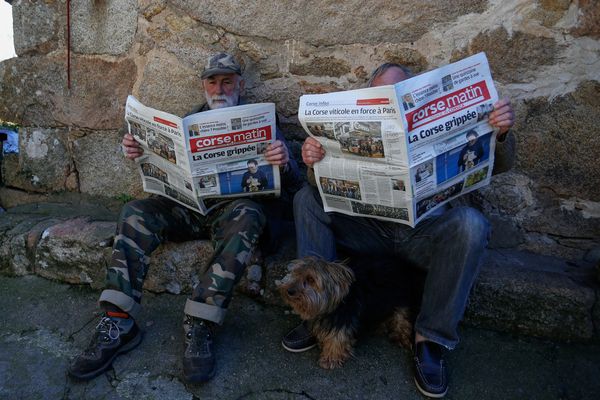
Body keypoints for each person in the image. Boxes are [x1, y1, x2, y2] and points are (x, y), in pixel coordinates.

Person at [282, 62, 516, 398]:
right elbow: (320, 189)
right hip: (367, 229)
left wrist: (501, 132)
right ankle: (317, 312)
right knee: (306, 198)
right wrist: (313, 161)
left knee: (472, 224)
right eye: (381, 93)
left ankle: (430, 340)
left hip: (423, 232)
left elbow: (502, 164)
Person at [68, 52, 303, 383]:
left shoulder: (262, 123)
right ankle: (118, 321)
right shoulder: (188, 123)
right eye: (212, 81)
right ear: (203, 85)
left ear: (240, 84)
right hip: (187, 209)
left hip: (232, 212)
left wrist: (285, 164)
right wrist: (138, 153)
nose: (219, 89)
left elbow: (294, 184)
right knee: (135, 211)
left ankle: (200, 321)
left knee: (249, 214)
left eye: (227, 81)